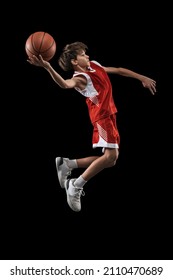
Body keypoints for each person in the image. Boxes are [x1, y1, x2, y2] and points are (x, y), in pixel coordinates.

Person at [27, 41, 156, 212]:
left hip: (110, 116)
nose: (87, 56)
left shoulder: (95, 66)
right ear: (74, 61)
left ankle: (67, 164)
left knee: (110, 161)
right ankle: (75, 184)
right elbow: (65, 85)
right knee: (110, 157)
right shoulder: (80, 79)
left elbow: (118, 70)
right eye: (82, 54)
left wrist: (142, 78)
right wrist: (48, 67)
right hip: (101, 118)